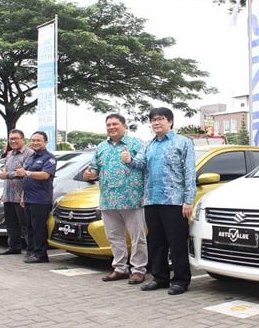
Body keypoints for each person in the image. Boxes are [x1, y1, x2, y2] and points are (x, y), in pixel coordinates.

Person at [121, 107, 195, 295]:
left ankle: (180, 280)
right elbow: (139, 164)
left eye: (161, 119)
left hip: (174, 201)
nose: (156, 123)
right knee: (156, 241)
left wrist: (188, 200)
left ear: (170, 121)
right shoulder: (148, 145)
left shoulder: (183, 142)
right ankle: (160, 277)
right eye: (153, 120)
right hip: (152, 199)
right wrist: (129, 160)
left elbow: (189, 172)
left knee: (176, 242)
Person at [83, 113, 147, 284]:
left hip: (131, 198)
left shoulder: (136, 143)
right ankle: (120, 268)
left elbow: (145, 164)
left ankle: (138, 270)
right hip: (108, 199)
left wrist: (130, 159)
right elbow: (94, 169)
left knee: (137, 237)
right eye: (108, 125)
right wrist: (89, 174)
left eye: (115, 124)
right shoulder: (101, 147)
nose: (111, 127)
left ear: (124, 126)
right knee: (114, 236)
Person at [15, 131, 57, 263]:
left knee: (39, 228)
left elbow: (45, 175)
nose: (35, 143)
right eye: (33, 140)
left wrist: (26, 172)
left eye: (38, 140)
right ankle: (31, 251)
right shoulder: (31, 157)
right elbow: (25, 179)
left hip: (41, 199)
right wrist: (22, 195)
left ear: (45, 142)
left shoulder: (49, 158)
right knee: (29, 227)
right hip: (28, 198)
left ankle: (41, 255)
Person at [0, 129, 34, 255]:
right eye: (11, 139)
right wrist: (4, 192)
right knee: (11, 224)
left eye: (16, 138)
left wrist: (7, 175)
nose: (13, 141)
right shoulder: (9, 154)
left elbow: (25, 173)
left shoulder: (29, 154)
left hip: (22, 196)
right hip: (8, 194)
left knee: (25, 225)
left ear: (23, 139)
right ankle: (14, 247)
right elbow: (6, 171)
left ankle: (32, 250)